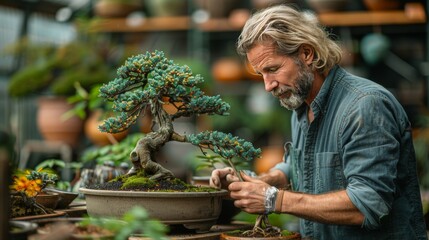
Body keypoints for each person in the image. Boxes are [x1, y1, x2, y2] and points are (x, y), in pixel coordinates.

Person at [210, 4, 427, 239]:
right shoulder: (302, 105)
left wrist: (273, 198)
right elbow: (302, 166)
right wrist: (260, 181)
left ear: (307, 54)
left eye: (273, 69)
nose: (267, 85)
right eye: (261, 73)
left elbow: (367, 204)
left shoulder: (365, 106)